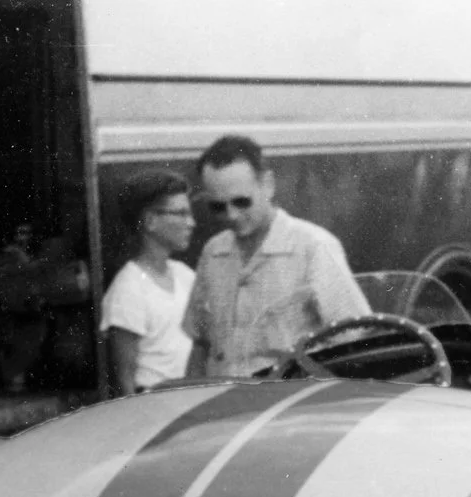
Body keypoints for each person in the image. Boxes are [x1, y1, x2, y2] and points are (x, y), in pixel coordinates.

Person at [182, 135, 369, 378]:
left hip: (287, 396)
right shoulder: (213, 252)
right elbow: (200, 344)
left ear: (268, 185)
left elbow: (355, 337)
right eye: (218, 206)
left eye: (241, 202)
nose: (231, 215)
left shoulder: (313, 247)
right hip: (224, 395)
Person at [100, 169, 198, 394]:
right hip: (154, 405)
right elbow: (125, 379)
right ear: (150, 221)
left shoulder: (185, 275)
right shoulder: (128, 289)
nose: (191, 223)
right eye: (181, 214)